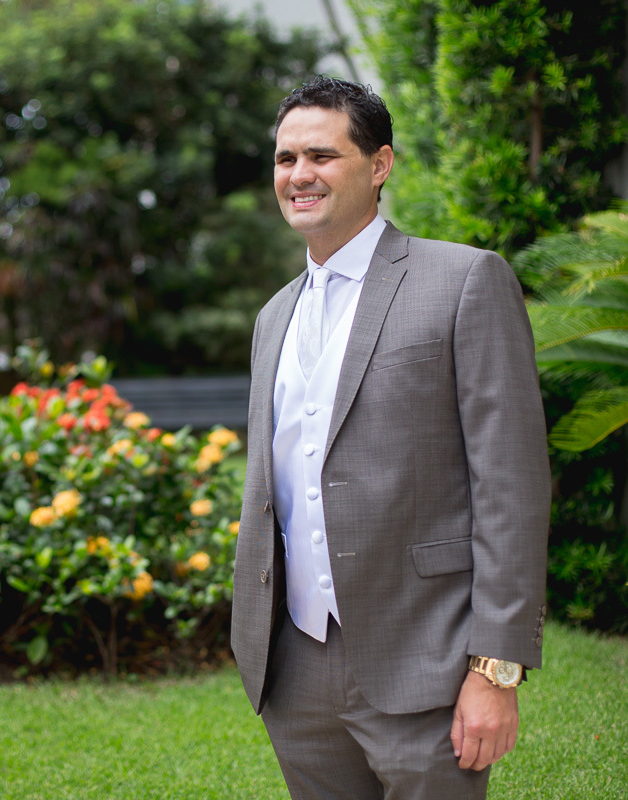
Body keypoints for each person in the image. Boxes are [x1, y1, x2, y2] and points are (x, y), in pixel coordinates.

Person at [230, 76, 550, 799]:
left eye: (322, 155)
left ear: (379, 164)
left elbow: (511, 486)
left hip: (427, 655)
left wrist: (496, 669)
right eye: (285, 159)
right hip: (295, 667)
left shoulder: (465, 280)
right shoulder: (273, 317)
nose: (299, 175)